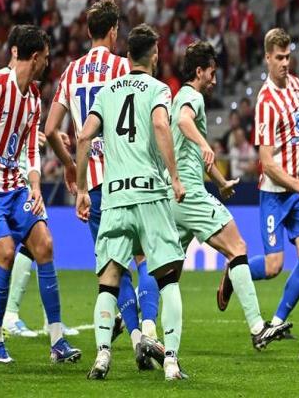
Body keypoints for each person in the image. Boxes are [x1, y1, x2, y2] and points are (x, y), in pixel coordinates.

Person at [44, 0, 160, 363]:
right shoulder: (124, 67)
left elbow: (50, 130)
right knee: (143, 256)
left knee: (113, 267)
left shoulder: (72, 72)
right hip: (128, 178)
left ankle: (137, 336)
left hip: (92, 185)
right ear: (113, 31)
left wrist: (71, 166)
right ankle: (150, 330)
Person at [75, 24, 187, 380]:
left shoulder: (107, 91)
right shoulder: (158, 89)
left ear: (126, 56)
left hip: (115, 197)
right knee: (167, 277)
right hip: (150, 193)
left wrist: (81, 188)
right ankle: (170, 362)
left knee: (109, 281)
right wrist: (174, 176)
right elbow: (160, 125)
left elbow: (83, 136)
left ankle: (102, 356)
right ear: (155, 55)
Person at [170, 41, 291, 350]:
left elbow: (194, 152)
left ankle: (126, 320)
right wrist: (205, 144)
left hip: (174, 196)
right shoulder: (192, 98)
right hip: (190, 194)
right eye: (212, 73)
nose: (214, 80)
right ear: (199, 71)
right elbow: (184, 122)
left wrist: (221, 182)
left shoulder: (178, 97)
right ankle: (258, 328)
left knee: (167, 272)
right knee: (237, 247)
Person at [0, 25, 81, 363]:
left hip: (16, 187)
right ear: (34, 57)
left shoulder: (32, 99)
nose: (47, 62)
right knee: (5, 252)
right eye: (45, 57)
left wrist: (36, 185)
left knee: (44, 244)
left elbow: (30, 149)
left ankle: (57, 341)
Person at [249, 28, 299, 335]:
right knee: (273, 266)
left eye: (288, 56)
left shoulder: (296, 85)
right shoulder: (265, 102)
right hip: (275, 194)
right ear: (267, 58)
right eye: (279, 58)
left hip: (298, 187)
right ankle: (235, 270)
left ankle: (277, 323)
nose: (285, 63)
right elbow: (266, 162)